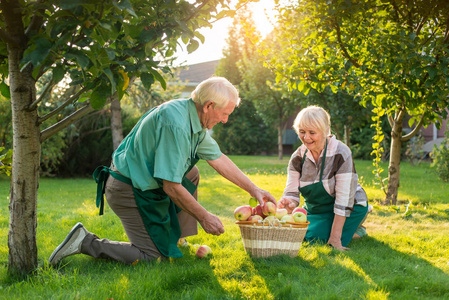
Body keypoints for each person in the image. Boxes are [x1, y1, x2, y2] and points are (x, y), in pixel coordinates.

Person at [49, 76, 276, 265]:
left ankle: (178, 240)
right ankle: (84, 241)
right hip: (128, 189)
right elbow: (171, 186)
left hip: (144, 182)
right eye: (225, 114)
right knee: (152, 257)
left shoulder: (194, 120)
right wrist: (204, 217)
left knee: (191, 173)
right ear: (209, 106)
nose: (225, 120)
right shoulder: (175, 124)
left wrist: (255, 190)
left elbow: (218, 159)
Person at [278, 105, 370, 251]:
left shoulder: (341, 152)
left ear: (326, 131)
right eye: (302, 132)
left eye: (312, 132)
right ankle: (348, 229)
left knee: (315, 238)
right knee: (298, 233)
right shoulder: (297, 157)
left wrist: (335, 238)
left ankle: (357, 230)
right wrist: (288, 202)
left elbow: (344, 200)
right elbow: (291, 193)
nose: (306, 138)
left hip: (350, 206)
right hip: (316, 209)